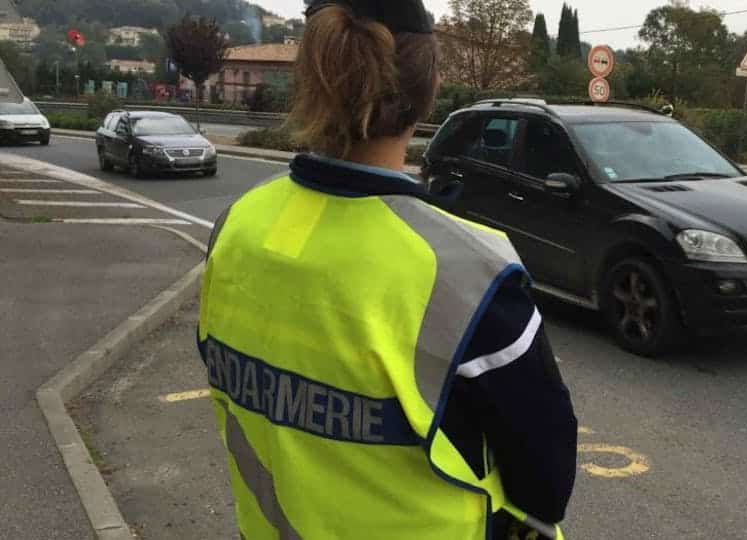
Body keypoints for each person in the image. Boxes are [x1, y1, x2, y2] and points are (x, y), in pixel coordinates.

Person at [196, 1, 578, 539]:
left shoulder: (237, 227)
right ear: (430, 89)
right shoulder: (471, 274)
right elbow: (546, 485)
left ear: (313, 80)